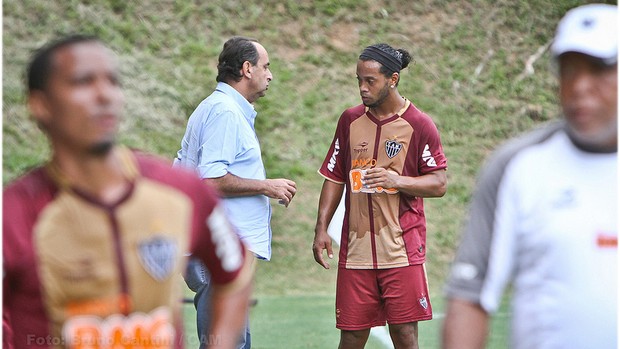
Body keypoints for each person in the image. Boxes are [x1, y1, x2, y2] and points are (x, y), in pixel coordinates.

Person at [2, 34, 254, 349]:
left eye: (112, 81)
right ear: (40, 105)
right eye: (83, 82)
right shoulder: (11, 215)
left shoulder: (179, 191)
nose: (104, 94)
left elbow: (235, 271)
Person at [442, 4, 617, 349]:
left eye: (598, 69)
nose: (580, 86)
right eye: (568, 71)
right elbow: (469, 297)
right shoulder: (517, 166)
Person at [313, 43, 448, 349]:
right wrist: (321, 228)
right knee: (351, 336)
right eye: (359, 80)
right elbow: (335, 177)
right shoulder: (349, 120)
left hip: (401, 250)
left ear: (393, 79)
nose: (362, 88)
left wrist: (397, 180)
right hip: (356, 251)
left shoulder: (418, 124)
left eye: (370, 81)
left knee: (404, 335)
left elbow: (439, 183)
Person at [174, 36, 297, 349]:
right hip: (216, 248)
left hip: (219, 247)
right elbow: (211, 179)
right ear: (247, 69)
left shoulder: (220, 108)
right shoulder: (225, 112)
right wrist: (267, 186)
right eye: (265, 67)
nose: (269, 75)